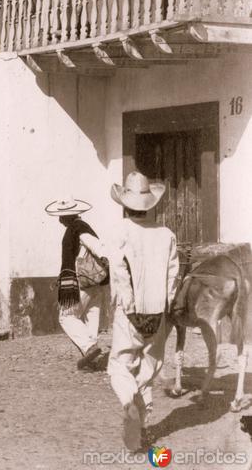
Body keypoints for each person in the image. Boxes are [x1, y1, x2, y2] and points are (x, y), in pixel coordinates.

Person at [107, 171, 179, 452]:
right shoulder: (166, 234)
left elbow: (119, 270)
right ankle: (141, 421)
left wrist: (127, 303)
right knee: (150, 366)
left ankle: (128, 403)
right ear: (151, 204)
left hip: (130, 313)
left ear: (125, 205)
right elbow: (173, 275)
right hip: (157, 312)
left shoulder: (121, 232)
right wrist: (166, 303)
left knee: (120, 364)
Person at [46, 197, 107, 370]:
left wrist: (107, 257)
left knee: (66, 316)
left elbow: (98, 247)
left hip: (83, 282)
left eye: (62, 215)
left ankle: (89, 348)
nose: (59, 219)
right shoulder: (80, 228)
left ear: (70, 215)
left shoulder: (78, 229)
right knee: (91, 315)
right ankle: (94, 360)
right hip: (95, 282)